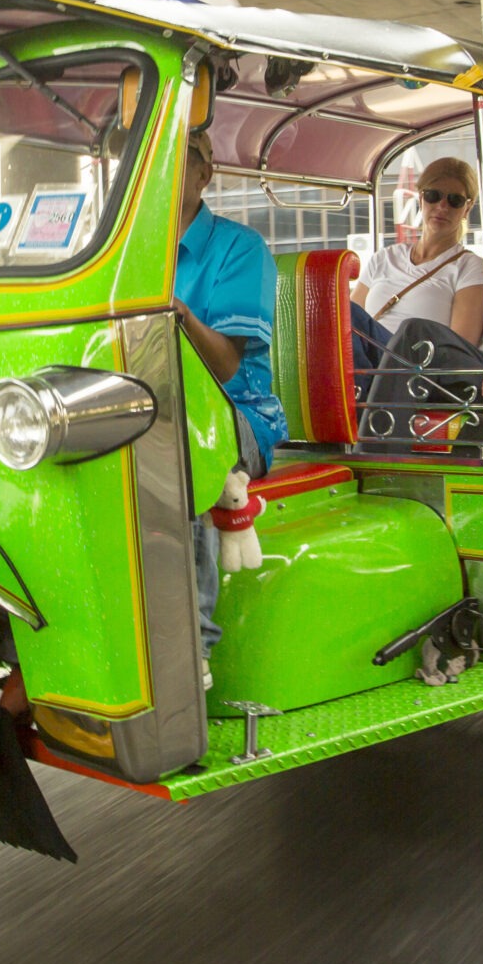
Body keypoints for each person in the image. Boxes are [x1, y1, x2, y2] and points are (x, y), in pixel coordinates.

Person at [173, 128, 288, 675]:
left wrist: (178, 314)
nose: (166, 168)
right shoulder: (119, 253)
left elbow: (224, 366)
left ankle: (191, 648)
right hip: (154, 406)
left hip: (238, 417)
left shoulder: (240, 249)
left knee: (174, 443)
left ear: (204, 173)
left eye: (183, 156)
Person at [354, 157, 483, 449]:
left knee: (410, 329)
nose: (442, 206)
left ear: (467, 208)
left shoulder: (468, 266)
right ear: (421, 198)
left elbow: (459, 344)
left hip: (422, 362)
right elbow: (350, 321)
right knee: (342, 315)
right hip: (371, 355)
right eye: (433, 196)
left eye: (454, 200)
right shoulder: (384, 258)